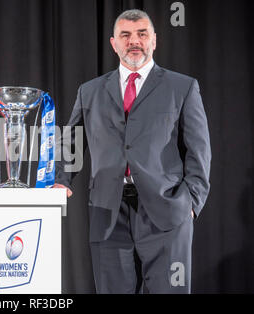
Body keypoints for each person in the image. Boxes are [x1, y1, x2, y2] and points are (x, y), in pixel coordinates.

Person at [54, 9, 211, 293]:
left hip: (167, 213)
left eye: (142, 34)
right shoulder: (89, 91)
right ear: (114, 43)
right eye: (125, 35)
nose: (134, 41)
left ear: (154, 40)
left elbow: (199, 150)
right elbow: (72, 141)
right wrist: (60, 180)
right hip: (108, 214)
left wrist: (192, 202)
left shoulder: (182, 87)